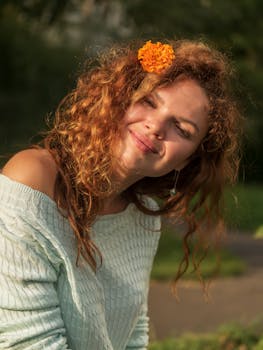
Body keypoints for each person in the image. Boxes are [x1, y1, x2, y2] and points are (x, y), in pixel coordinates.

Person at [0, 39, 241, 349]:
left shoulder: (143, 218)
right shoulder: (32, 182)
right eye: (150, 102)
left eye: (181, 128)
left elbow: (133, 333)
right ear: (120, 98)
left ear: (187, 160)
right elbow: (26, 343)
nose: (156, 126)